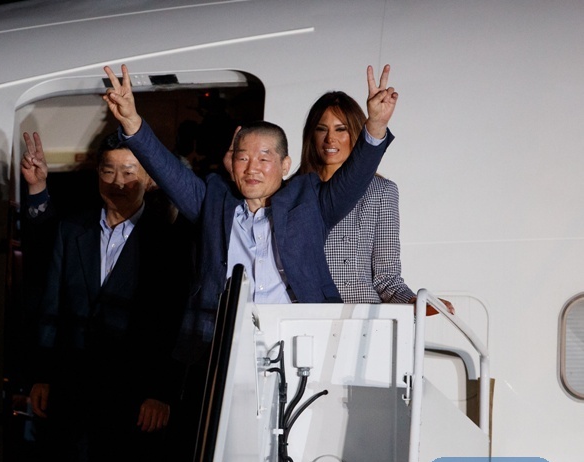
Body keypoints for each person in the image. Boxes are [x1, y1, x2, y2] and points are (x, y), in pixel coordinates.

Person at [102, 63, 397, 362]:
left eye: (264, 158)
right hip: (223, 346)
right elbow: (168, 171)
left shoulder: (309, 202)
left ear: (285, 166)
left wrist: (375, 125)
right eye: (243, 158)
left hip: (299, 345)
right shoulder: (213, 202)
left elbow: (355, 176)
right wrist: (132, 122)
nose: (252, 168)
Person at [21, 130, 191, 462]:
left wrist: (161, 391)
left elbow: (176, 322)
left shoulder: (169, 240)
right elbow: (51, 304)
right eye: (109, 170)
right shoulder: (72, 228)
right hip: (73, 390)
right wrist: (42, 375)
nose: (118, 181)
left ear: (150, 179)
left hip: (136, 398)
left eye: (129, 171)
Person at [297, 91, 454, 313]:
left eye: (341, 129)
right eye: (322, 129)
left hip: (361, 316)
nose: (330, 138)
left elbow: (387, 279)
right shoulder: (290, 193)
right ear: (311, 135)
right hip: (301, 316)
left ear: (356, 132)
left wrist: (414, 303)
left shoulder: (381, 192)